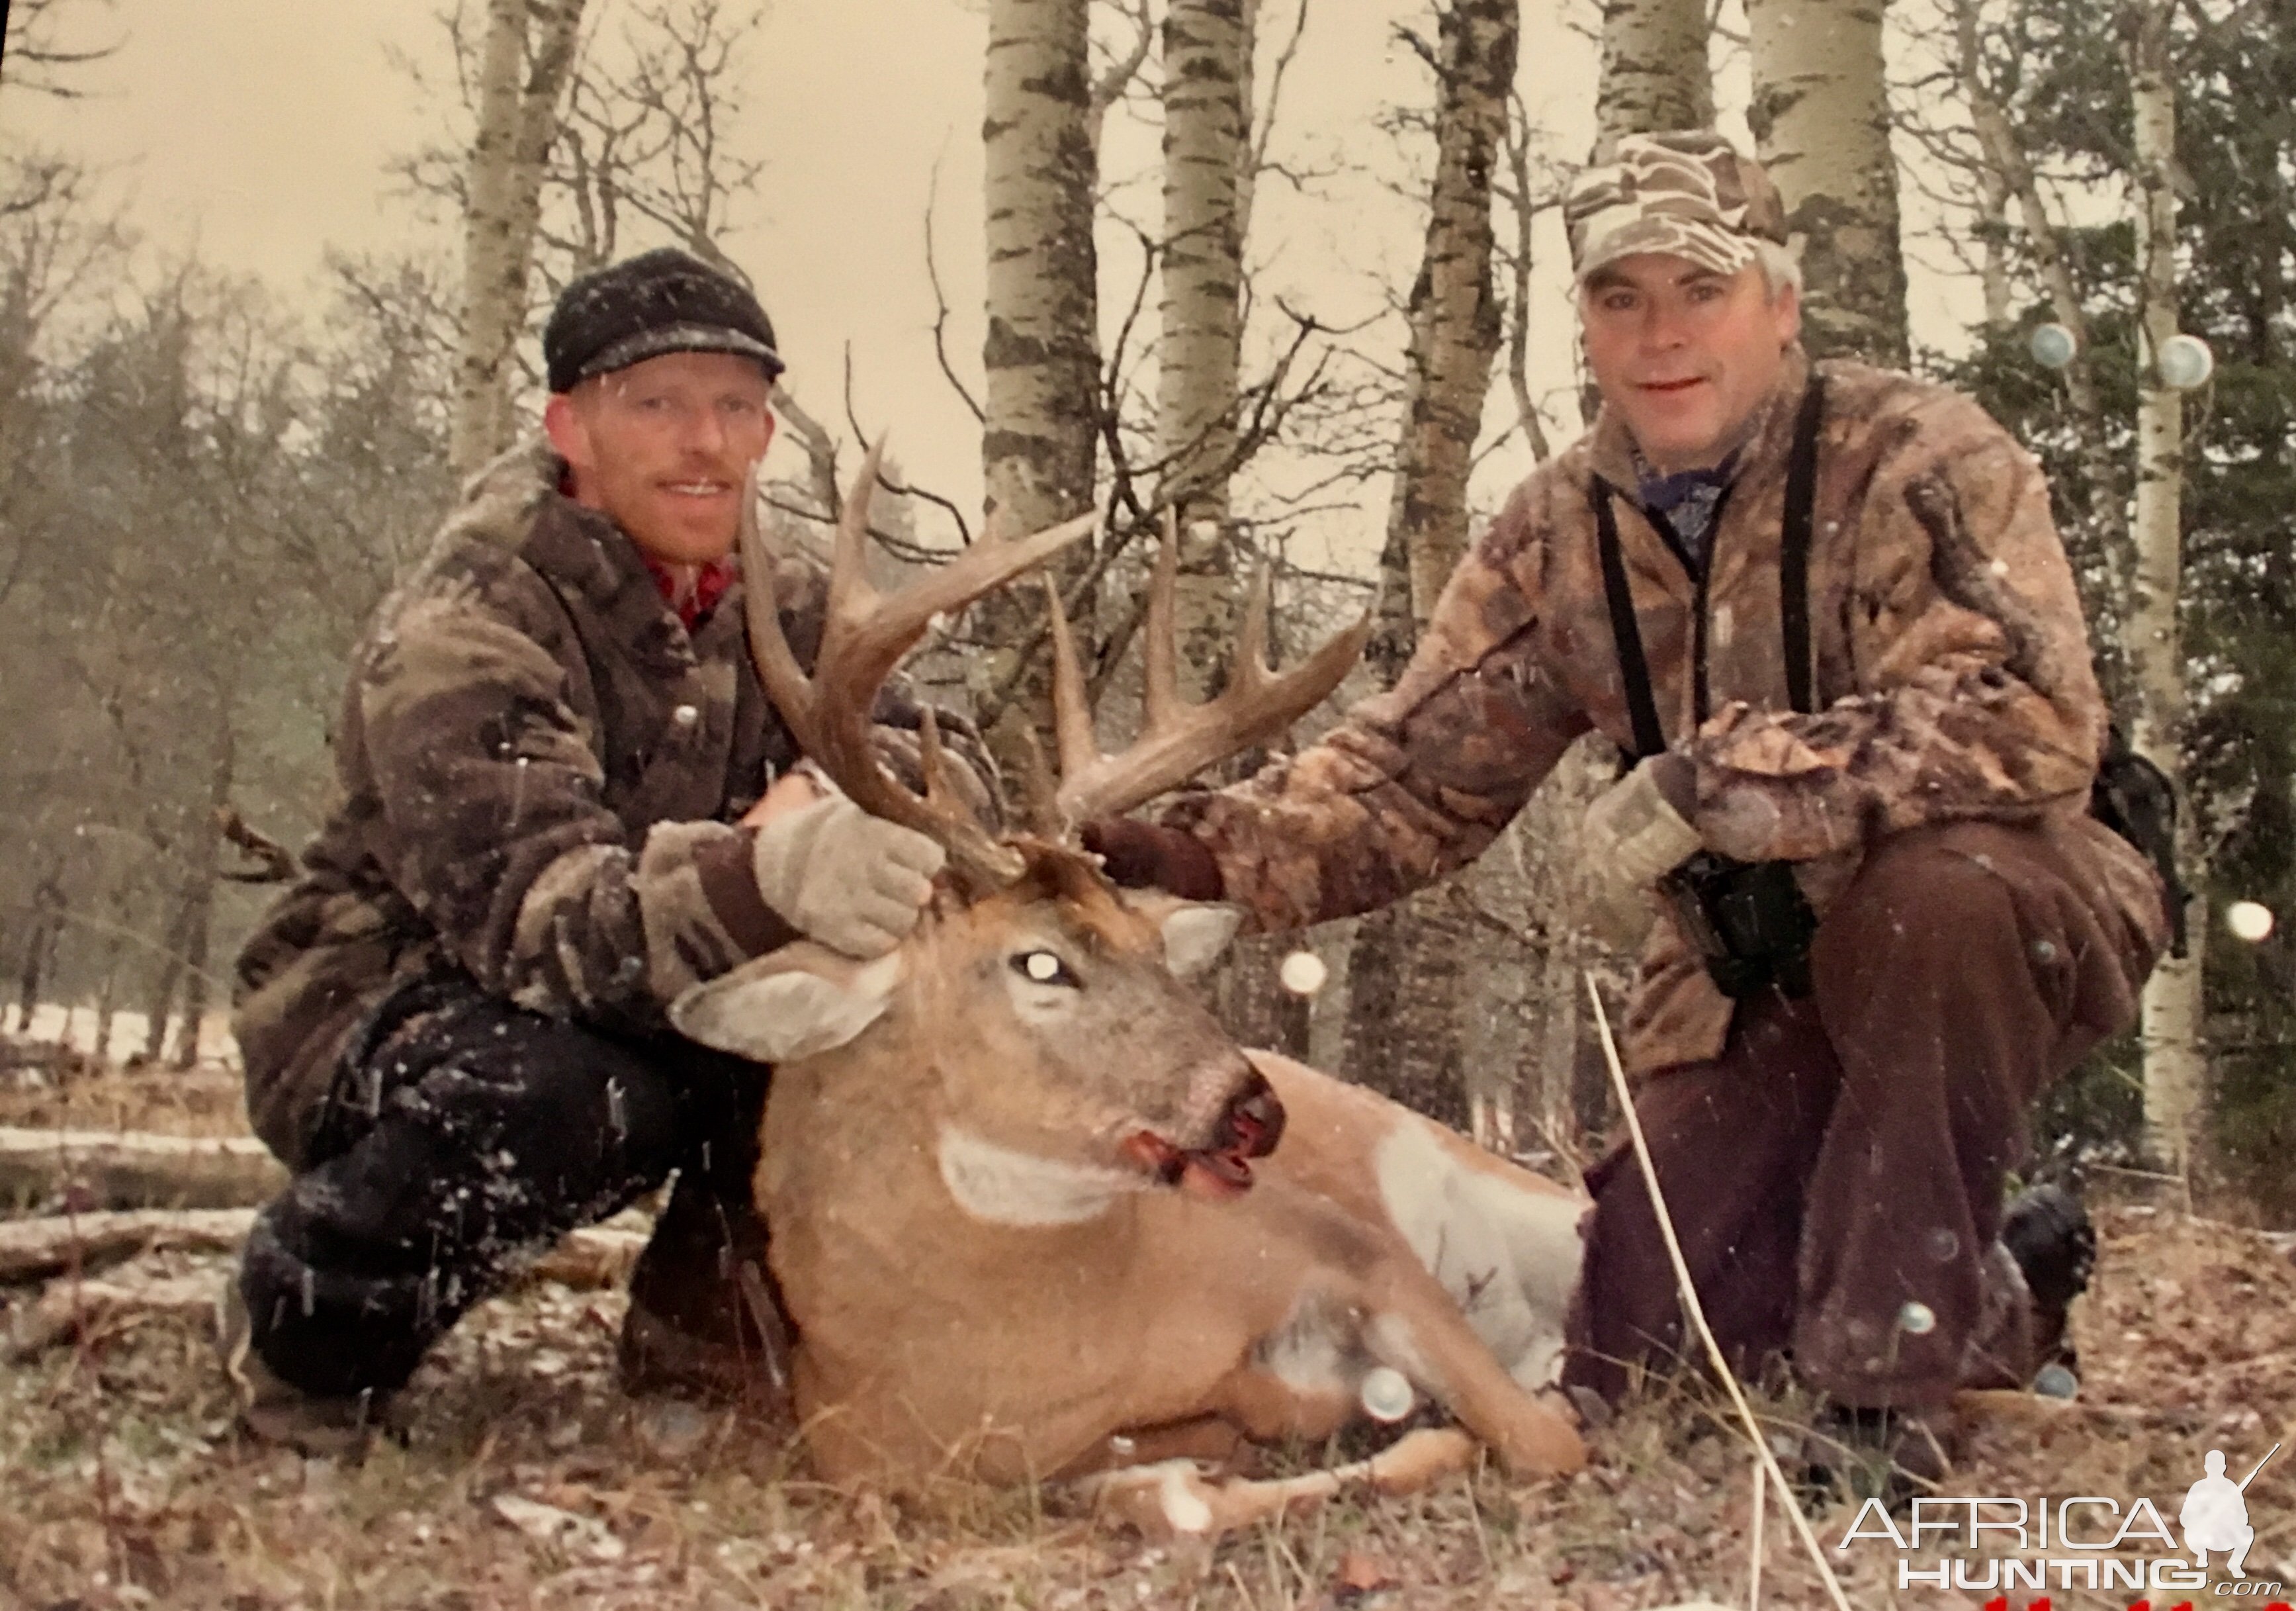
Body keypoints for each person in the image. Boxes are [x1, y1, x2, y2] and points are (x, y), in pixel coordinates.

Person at [1086, 132, 2168, 1477]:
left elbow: (2029, 715)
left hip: (2007, 915)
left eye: (1697, 291)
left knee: (1929, 905)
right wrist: (1182, 850)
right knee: (1647, 1355)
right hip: (1748, 968)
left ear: (1778, 304)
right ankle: (1996, 1280)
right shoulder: (1559, 532)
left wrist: (1712, 784)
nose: (1660, 335)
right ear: (1586, 326)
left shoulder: (1915, 456)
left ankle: (1879, 1402)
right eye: (1618, 299)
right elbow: (1411, 776)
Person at [219, 248, 977, 1453]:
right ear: (567, 424)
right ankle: (306, 1335)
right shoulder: (472, 617)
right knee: (577, 1096)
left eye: (735, 406)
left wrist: (822, 792)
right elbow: (542, 924)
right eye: (657, 403)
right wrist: (771, 874)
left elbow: (939, 747)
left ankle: (708, 1358)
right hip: (385, 1002)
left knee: (853, 1021)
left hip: (645, 988)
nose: (705, 442)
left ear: (769, 431)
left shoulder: (783, 599)